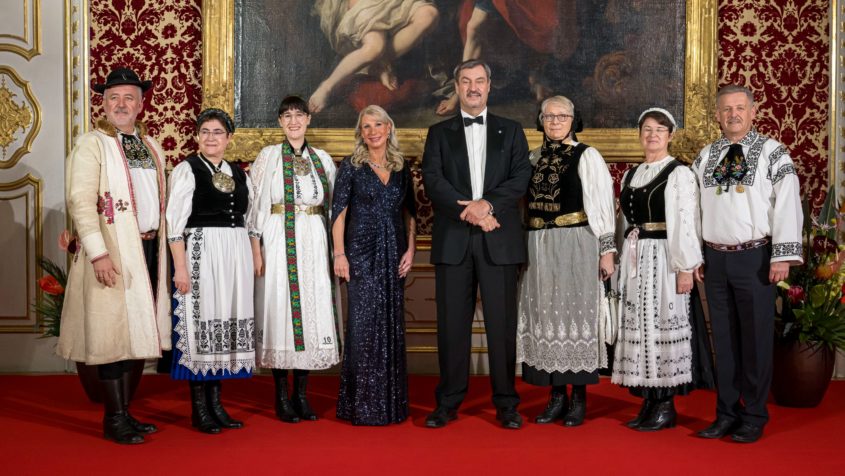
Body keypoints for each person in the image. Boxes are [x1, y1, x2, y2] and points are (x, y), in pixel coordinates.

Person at [58, 67, 170, 445]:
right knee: (109, 333)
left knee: (129, 332)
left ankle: (126, 412)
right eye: (113, 98)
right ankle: (114, 417)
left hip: (147, 247)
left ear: (140, 105)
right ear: (103, 103)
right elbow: (80, 200)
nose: (121, 104)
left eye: (128, 98)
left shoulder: (151, 146)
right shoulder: (92, 143)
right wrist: (97, 253)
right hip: (111, 249)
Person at [421, 59, 532, 429]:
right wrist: (473, 212)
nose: (473, 87)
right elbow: (434, 183)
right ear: (456, 87)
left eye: (479, 81)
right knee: (452, 326)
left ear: (489, 85)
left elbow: (520, 178)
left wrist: (487, 205)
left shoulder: (512, 131)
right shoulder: (438, 133)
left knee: (502, 326)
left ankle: (506, 403)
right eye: (466, 81)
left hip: (499, 240)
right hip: (453, 241)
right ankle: (448, 402)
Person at [692, 85, 803, 443]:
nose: (733, 115)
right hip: (715, 259)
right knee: (722, 340)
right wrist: (694, 255)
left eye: (740, 108)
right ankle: (726, 413)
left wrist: (782, 255)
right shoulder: (705, 156)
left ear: (753, 112)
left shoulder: (773, 153)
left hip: (756, 257)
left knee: (755, 339)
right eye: (726, 109)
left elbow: (787, 202)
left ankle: (754, 415)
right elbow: (693, 209)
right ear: (717, 114)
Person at [516, 95, 616, 427]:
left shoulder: (587, 156)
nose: (555, 122)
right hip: (538, 245)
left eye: (562, 116)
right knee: (546, 316)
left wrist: (606, 249)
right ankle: (556, 396)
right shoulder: (531, 158)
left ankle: (579, 399)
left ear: (574, 119)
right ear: (540, 120)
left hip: (576, 241)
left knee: (577, 315)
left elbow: (602, 204)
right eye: (548, 116)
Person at [612, 107, 710, 431]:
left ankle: (665, 404)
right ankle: (649, 400)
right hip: (636, 258)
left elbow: (686, 222)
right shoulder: (631, 174)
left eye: (660, 130)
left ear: (670, 135)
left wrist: (685, 267)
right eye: (647, 129)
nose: (652, 135)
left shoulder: (678, 173)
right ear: (639, 134)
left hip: (665, 260)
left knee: (661, 325)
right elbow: (624, 222)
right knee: (641, 327)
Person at [247, 96, 341, 423]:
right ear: (279, 122)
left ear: (308, 119)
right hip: (277, 236)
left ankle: (301, 395)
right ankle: (280, 396)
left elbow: (334, 210)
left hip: (314, 240)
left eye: (298, 115)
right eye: (286, 116)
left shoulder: (322, 159)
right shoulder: (269, 157)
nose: (293, 121)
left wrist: (334, 251)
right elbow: (254, 205)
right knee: (280, 311)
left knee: (310, 311)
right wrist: (255, 248)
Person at [167, 108, 256, 434]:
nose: (210, 138)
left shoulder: (240, 173)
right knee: (201, 321)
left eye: (217, 132)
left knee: (225, 322)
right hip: (201, 251)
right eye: (205, 131)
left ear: (229, 138)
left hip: (235, 254)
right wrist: (181, 269)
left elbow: (251, 220)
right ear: (197, 136)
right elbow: (174, 225)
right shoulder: (187, 170)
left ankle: (217, 405)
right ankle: (199, 409)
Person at [331, 105, 417, 425]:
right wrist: (339, 254)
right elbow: (338, 214)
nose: (372, 131)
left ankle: (390, 405)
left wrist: (411, 248)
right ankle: (362, 406)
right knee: (363, 327)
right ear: (361, 132)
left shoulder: (401, 166)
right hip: (361, 252)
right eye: (366, 126)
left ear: (389, 127)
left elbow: (410, 212)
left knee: (391, 326)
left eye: (378, 124)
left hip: (394, 251)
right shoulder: (351, 166)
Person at [309, 0, 439, 112]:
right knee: (374, 47)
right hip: (363, 3)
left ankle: (380, 63)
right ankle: (326, 86)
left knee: (429, 14)